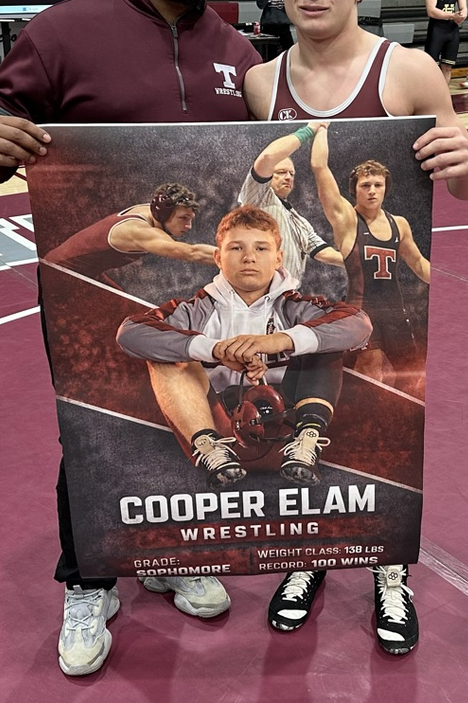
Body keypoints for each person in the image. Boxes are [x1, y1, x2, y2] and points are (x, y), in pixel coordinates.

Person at [0, 0, 262, 677]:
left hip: (189, 304)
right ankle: (88, 579)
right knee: (92, 428)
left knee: (183, 413)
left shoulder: (239, 53)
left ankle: (168, 556)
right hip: (88, 290)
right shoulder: (65, 30)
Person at [243, 0, 468, 653]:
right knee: (312, 432)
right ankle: (312, 556)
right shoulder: (261, 83)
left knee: (387, 430)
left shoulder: (407, 70)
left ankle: (388, 568)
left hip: (391, 303)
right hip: (309, 305)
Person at [116, 205, 372, 490]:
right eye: (236, 248)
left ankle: (309, 437)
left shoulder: (297, 307)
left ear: (278, 258)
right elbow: (130, 333)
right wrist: (215, 350)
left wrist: (280, 340)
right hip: (221, 433)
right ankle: (209, 448)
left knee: (323, 340)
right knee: (165, 354)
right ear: (218, 257)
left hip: (289, 433)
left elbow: (358, 325)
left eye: (261, 249)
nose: (249, 257)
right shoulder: (193, 310)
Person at [310, 146, 430, 395]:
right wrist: (320, 129)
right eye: (365, 185)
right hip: (362, 312)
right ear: (354, 190)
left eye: (378, 184)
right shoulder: (347, 219)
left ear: (386, 187)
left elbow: (418, 264)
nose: (373, 190)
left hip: (397, 313)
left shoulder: (400, 224)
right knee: (370, 373)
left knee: (412, 376)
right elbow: (320, 168)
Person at [43, 183, 214, 286]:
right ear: (162, 214)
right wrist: (234, 257)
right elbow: (191, 253)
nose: (188, 226)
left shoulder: (152, 210)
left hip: (85, 272)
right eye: (183, 218)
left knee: (125, 313)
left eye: (190, 219)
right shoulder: (137, 231)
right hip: (59, 273)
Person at [238, 122, 343, 283]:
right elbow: (267, 157)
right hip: (259, 293)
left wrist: (362, 262)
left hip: (287, 295)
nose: (288, 177)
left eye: (291, 174)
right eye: (281, 172)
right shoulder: (258, 196)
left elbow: (323, 253)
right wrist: (309, 130)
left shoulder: (299, 221)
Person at [423, 0, 468, 84]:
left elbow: (464, 7)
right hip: (437, 30)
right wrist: (452, 15)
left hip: (452, 31)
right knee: (431, 67)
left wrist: (463, 15)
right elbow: (431, 11)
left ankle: (443, 97)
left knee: (447, 67)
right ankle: (428, 97)